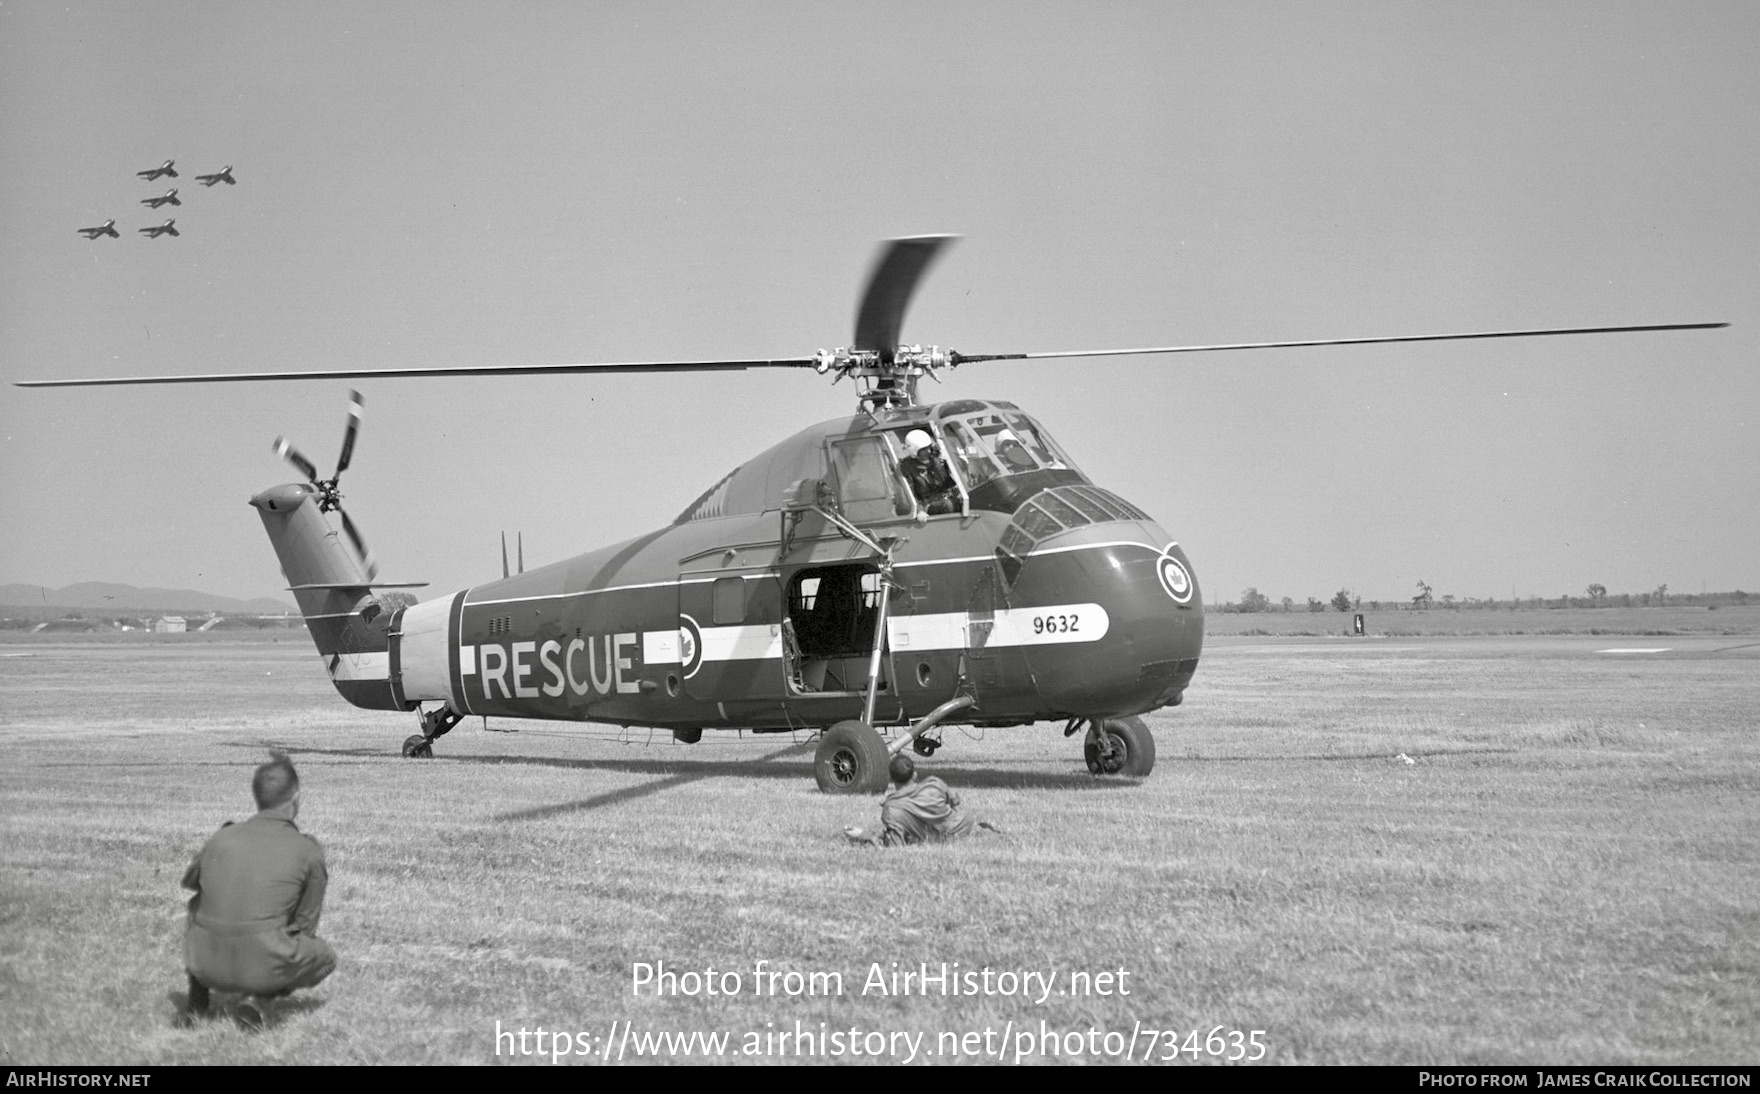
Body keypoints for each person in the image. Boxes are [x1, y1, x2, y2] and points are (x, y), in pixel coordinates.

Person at [177, 752, 336, 1031]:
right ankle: (260, 1000)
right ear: (296, 797)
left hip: (203, 962)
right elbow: (305, 925)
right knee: (324, 956)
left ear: (257, 796)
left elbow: (191, 881)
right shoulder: (308, 851)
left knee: (196, 903)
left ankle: (196, 1005)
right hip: (263, 968)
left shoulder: (223, 836)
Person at [844, 753, 999, 846]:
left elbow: (895, 845)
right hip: (963, 827)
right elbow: (956, 804)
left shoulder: (891, 810)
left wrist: (864, 836)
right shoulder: (934, 783)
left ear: (891, 779)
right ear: (915, 775)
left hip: (934, 840)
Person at [898, 429, 959, 514]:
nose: (928, 451)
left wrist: (948, 465)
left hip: (946, 497)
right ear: (915, 451)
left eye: (929, 447)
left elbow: (950, 483)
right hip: (926, 504)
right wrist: (919, 511)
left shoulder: (937, 460)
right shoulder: (906, 467)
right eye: (923, 450)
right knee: (947, 505)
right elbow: (907, 493)